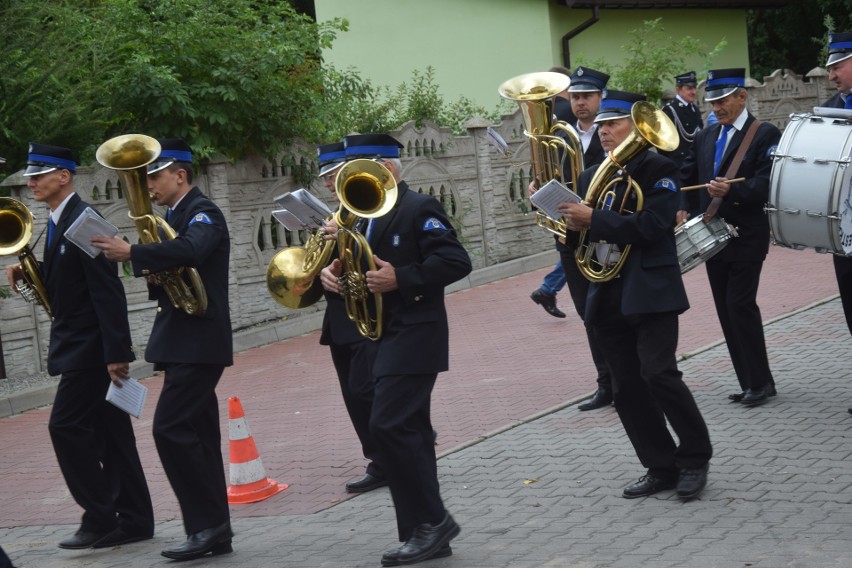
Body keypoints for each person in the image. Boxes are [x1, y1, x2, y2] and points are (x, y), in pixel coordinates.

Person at [320, 133, 471, 566]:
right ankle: (422, 531)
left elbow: (456, 261)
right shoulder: (353, 217)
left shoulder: (418, 207)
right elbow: (348, 274)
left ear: (387, 167)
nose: (348, 177)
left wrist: (401, 278)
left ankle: (432, 522)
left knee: (388, 425)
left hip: (414, 333)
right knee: (409, 432)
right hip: (376, 336)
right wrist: (328, 280)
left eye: (359, 167)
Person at [558, 90, 713, 500]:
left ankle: (696, 458)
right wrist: (567, 221)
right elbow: (577, 243)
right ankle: (660, 465)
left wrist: (595, 218)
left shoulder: (659, 167)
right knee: (625, 386)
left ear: (635, 127)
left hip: (651, 288)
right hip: (606, 289)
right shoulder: (592, 175)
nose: (603, 131)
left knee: (658, 374)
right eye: (602, 125)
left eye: (612, 124)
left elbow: (654, 226)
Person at [4, 143, 154, 549]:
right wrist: (32, 268)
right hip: (83, 346)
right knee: (112, 434)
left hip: (91, 351)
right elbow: (70, 278)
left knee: (65, 426)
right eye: (30, 175)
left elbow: (109, 292)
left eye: (39, 175)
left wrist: (117, 353)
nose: (30, 182)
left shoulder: (86, 219)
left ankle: (99, 517)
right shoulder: (57, 219)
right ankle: (137, 520)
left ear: (64, 176)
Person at [92, 139, 234, 561]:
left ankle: (205, 527)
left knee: (169, 429)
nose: (148, 184)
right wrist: (156, 271)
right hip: (182, 339)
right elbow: (182, 263)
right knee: (200, 437)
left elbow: (192, 249)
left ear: (181, 175)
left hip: (199, 340)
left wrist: (132, 252)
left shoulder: (203, 211)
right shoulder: (173, 215)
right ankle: (214, 530)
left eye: (154, 175)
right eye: (147, 177)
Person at [680, 69, 782, 407]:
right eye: (713, 101)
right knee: (726, 309)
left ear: (742, 96)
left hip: (746, 235)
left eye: (723, 100)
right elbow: (688, 174)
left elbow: (769, 182)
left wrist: (733, 192)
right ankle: (753, 382)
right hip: (712, 237)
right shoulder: (707, 136)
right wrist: (680, 207)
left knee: (740, 305)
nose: (717, 107)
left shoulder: (764, 134)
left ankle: (759, 382)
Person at [534, 65, 614, 411]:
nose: (580, 103)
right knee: (587, 311)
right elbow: (545, 172)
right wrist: (535, 186)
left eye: (587, 97)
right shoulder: (560, 135)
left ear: (601, 98)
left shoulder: (614, 133)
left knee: (613, 306)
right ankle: (606, 383)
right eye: (576, 96)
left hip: (606, 236)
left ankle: (632, 376)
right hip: (568, 237)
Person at [315, 141, 387, 493]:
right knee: (352, 392)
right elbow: (331, 264)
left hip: (368, 313)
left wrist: (342, 234)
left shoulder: (368, 205)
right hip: (339, 315)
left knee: (365, 389)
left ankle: (388, 457)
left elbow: (376, 253)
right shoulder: (337, 213)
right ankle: (379, 455)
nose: (329, 183)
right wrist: (322, 274)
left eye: (332, 175)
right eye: (326, 177)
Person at [820, 32, 852, 412]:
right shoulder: (827, 111)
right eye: (829, 68)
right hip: (843, 229)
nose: (831, 75)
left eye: (838, 66)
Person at [661, 71, 704, 166]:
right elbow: (663, 144)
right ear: (678, 89)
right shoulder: (670, 110)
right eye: (689, 88)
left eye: (694, 88)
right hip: (679, 164)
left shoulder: (694, 109)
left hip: (695, 162)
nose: (694, 92)